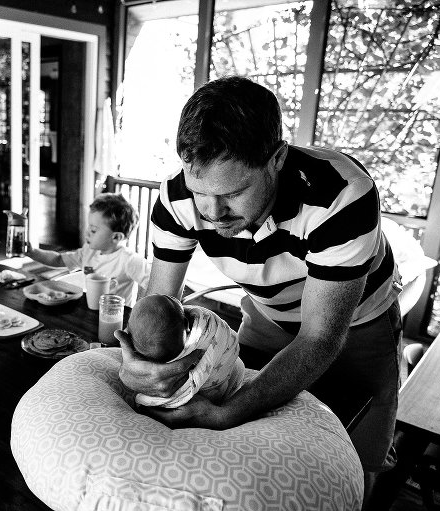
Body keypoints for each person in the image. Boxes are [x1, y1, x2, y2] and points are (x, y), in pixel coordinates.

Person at [114, 76, 401, 506]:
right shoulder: (177, 198)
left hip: (359, 324)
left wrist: (228, 412)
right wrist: (144, 363)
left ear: (277, 158)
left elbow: (321, 338)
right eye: (200, 192)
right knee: (246, 432)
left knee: (356, 457)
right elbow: (161, 304)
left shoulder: (341, 195)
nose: (211, 213)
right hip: (267, 315)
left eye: (233, 193)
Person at [27, 192, 150, 307]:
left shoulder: (129, 260)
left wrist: (141, 307)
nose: (87, 232)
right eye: (89, 227)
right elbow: (58, 260)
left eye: (93, 230)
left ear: (116, 237)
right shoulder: (89, 251)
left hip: (114, 317)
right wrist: (32, 252)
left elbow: (156, 283)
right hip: (90, 308)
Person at [128, 294, 244, 408]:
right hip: (213, 388)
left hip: (181, 395)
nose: (172, 297)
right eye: (169, 298)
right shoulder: (206, 329)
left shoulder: (151, 352)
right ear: (187, 324)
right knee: (238, 368)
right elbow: (224, 337)